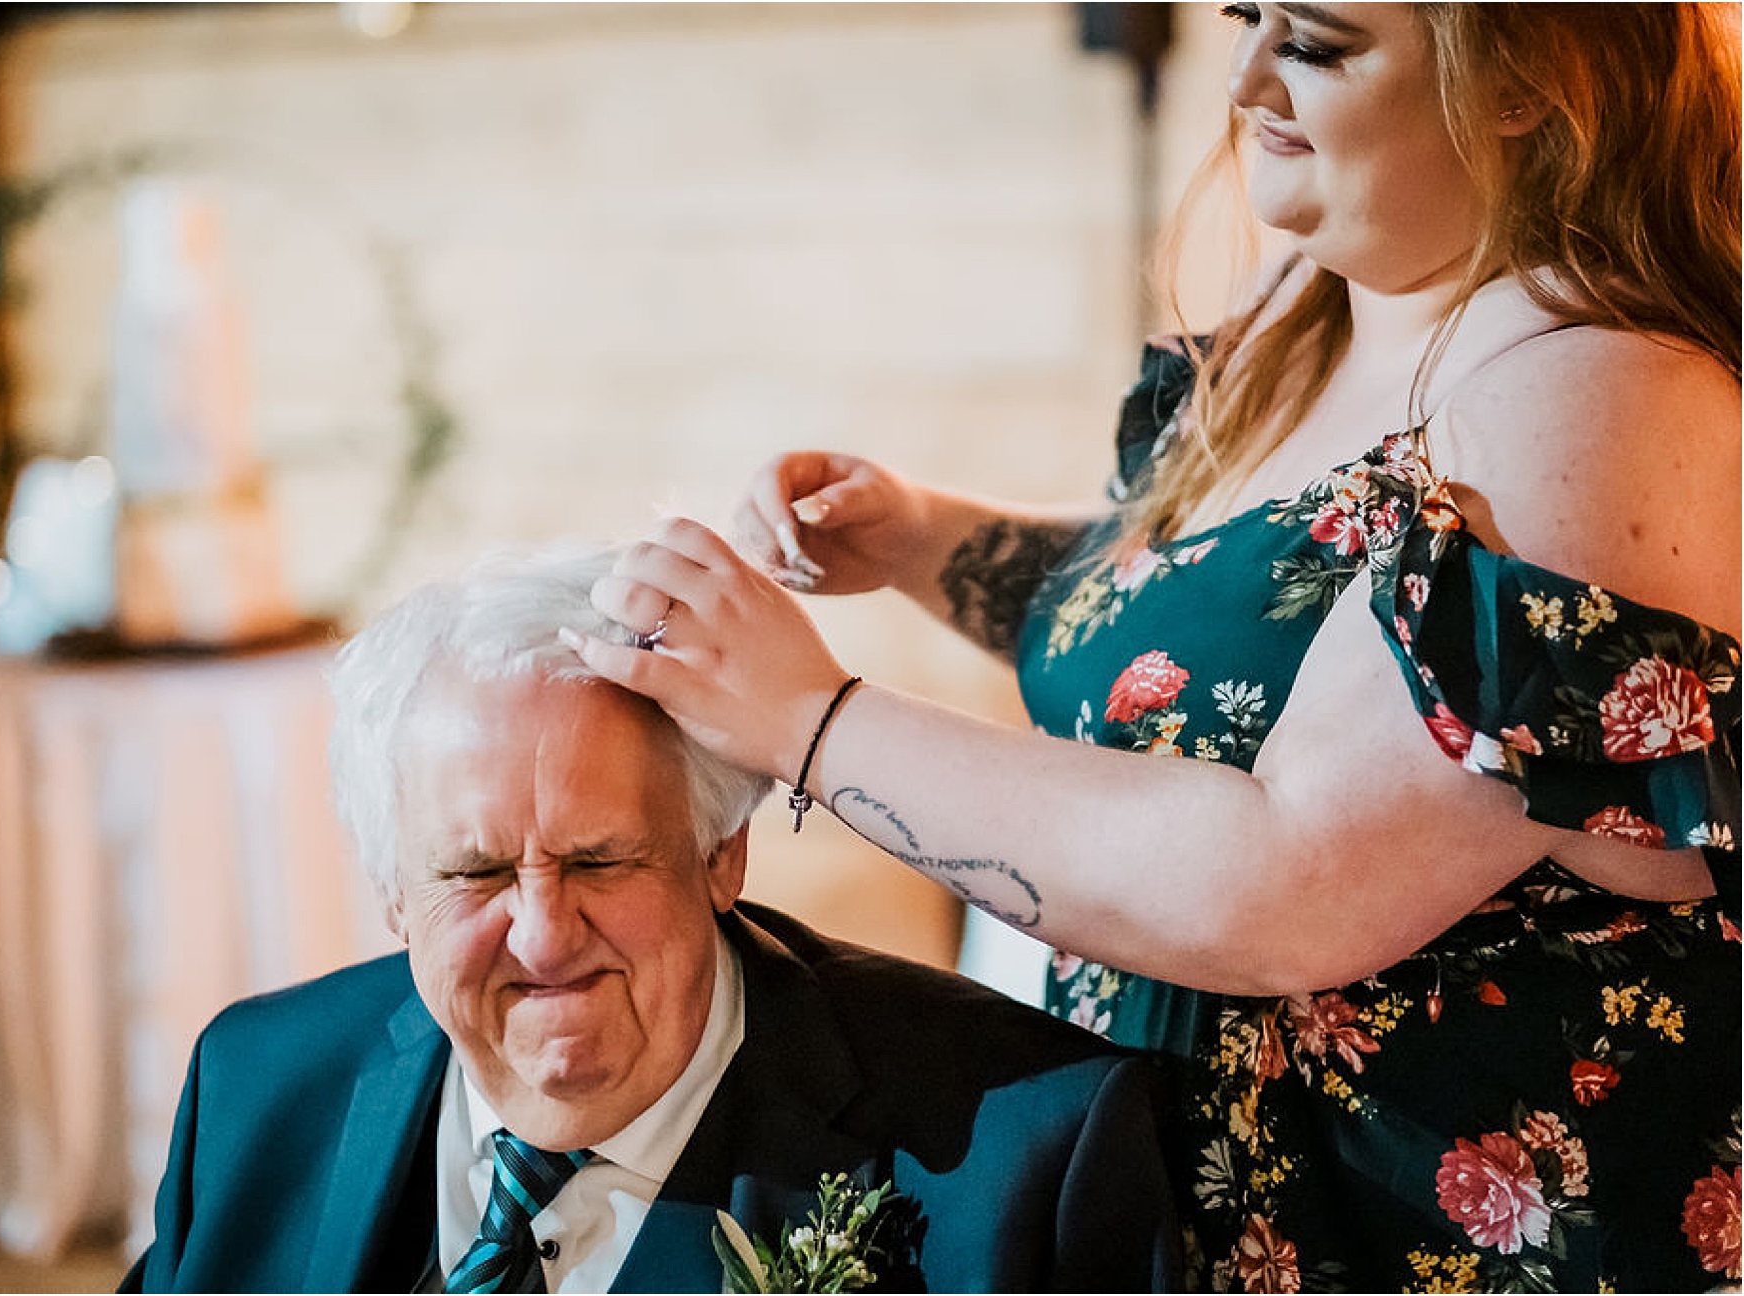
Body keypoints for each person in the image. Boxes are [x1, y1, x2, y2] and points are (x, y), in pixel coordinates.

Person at [568, 5, 1742, 1291]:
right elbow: (1210, 662)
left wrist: (808, 717)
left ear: (1529, 74)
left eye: (1316, 42)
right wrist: (922, 541)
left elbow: (1286, 882)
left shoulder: (1600, 396)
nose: (1241, 79)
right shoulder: (1319, 314)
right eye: (1244, 15)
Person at [123, 542, 1180, 1293]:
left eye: (599, 860)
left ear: (723, 853)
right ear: (393, 888)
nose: (541, 935)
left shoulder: (1025, 1170)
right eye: (479, 872)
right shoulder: (256, 1088)